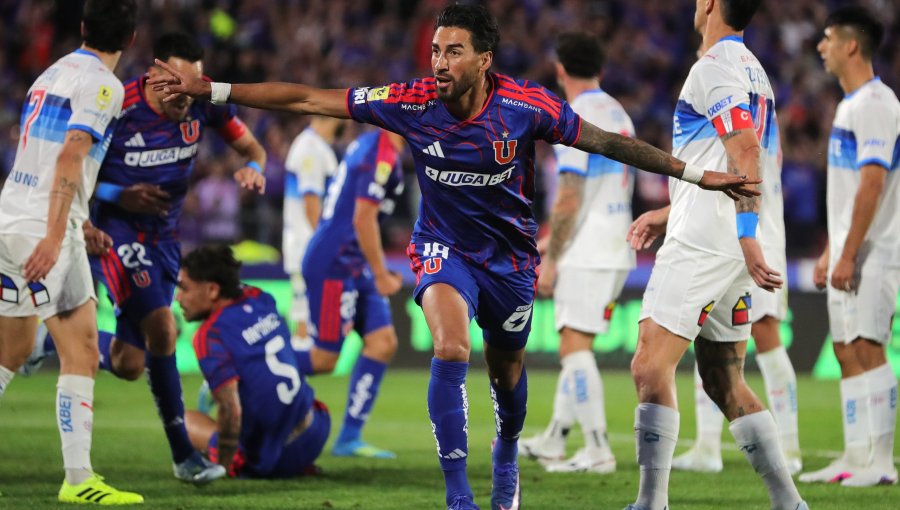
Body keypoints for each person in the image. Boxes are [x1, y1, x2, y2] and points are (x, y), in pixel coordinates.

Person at [150, 4, 759, 509]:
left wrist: (696, 175)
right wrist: (214, 89)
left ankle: (506, 458)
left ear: (483, 61)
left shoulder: (526, 106)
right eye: (436, 50)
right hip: (443, 249)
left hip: (511, 261)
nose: (439, 63)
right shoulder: (411, 101)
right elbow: (312, 98)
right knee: (448, 346)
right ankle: (457, 494)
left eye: (454, 52)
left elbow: (608, 142)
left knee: (506, 375)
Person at [23, 32, 267, 484]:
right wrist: (115, 198)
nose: (184, 96)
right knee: (163, 326)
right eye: (175, 84)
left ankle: (47, 341)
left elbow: (253, 147)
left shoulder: (204, 100)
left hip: (165, 239)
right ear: (154, 74)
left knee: (130, 363)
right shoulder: (117, 104)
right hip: (115, 231)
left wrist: (254, 164)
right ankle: (184, 457)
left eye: (192, 84)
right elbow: (71, 168)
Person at [623, 0, 808, 508]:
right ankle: (790, 503)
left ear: (709, 3)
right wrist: (672, 212)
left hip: (705, 241)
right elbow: (726, 159)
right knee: (725, 379)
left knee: (649, 366)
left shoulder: (714, 69)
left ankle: (651, 502)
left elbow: (744, 150)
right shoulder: (755, 72)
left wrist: (746, 235)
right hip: (725, 242)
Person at [0, 0, 144, 504]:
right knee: (82, 350)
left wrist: (75, 223)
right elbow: (71, 152)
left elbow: (37, 154)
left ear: (83, 29)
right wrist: (58, 233)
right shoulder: (106, 86)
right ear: (130, 39)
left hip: (10, 216)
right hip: (43, 228)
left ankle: (79, 478)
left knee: (10, 351)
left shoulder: (49, 74)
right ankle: (79, 480)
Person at [518, 32, 634, 474]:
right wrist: (550, 242)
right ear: (600, 70)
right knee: (577, 343)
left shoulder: (575, 115)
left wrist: (550, 260)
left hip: (587, 250)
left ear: (559, 69)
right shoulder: (618, 113)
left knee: (574, 348)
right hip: (613, 243)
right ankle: (554, 439)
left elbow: (570, 195)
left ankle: (598, 448)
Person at [799, 6, 899, 487]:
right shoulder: (849, 104)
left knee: (868, 345)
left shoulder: (877, 103)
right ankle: (855, 457)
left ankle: (882, 463)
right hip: (850, 248)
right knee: (844, 349)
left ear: (851, 46)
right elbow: (846, 193)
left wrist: (848, 252)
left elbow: (872, 185)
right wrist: (830, 249)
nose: (822, 47)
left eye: (828, 38)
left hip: (875, 251)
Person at [177, 245, 330, 478]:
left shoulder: (210, 335)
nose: (178, 298)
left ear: (212, 290)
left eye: (184, 289)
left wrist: (224, 466)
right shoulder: (260, 297)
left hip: (278, 457)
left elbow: (231, 411)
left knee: (184, 420)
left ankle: (249, 459)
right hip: (315, 431)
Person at [297, 127, 405, 458]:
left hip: (353, 262)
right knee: (324, 359)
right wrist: (382, 271)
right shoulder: (380, 151)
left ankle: (349, 437)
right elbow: (363, 217)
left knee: (383, 342)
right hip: (335, 261)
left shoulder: (377, 145)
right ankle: (243, 365)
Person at [282, 116, 344, 348]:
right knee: (304, 313)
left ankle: (298, 368)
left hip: (304, 241)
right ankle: (298, 368)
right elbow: (311, 201)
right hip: (307, 242)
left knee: (304, 309)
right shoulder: (311, 149)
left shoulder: (312, 145)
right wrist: (325, 242)